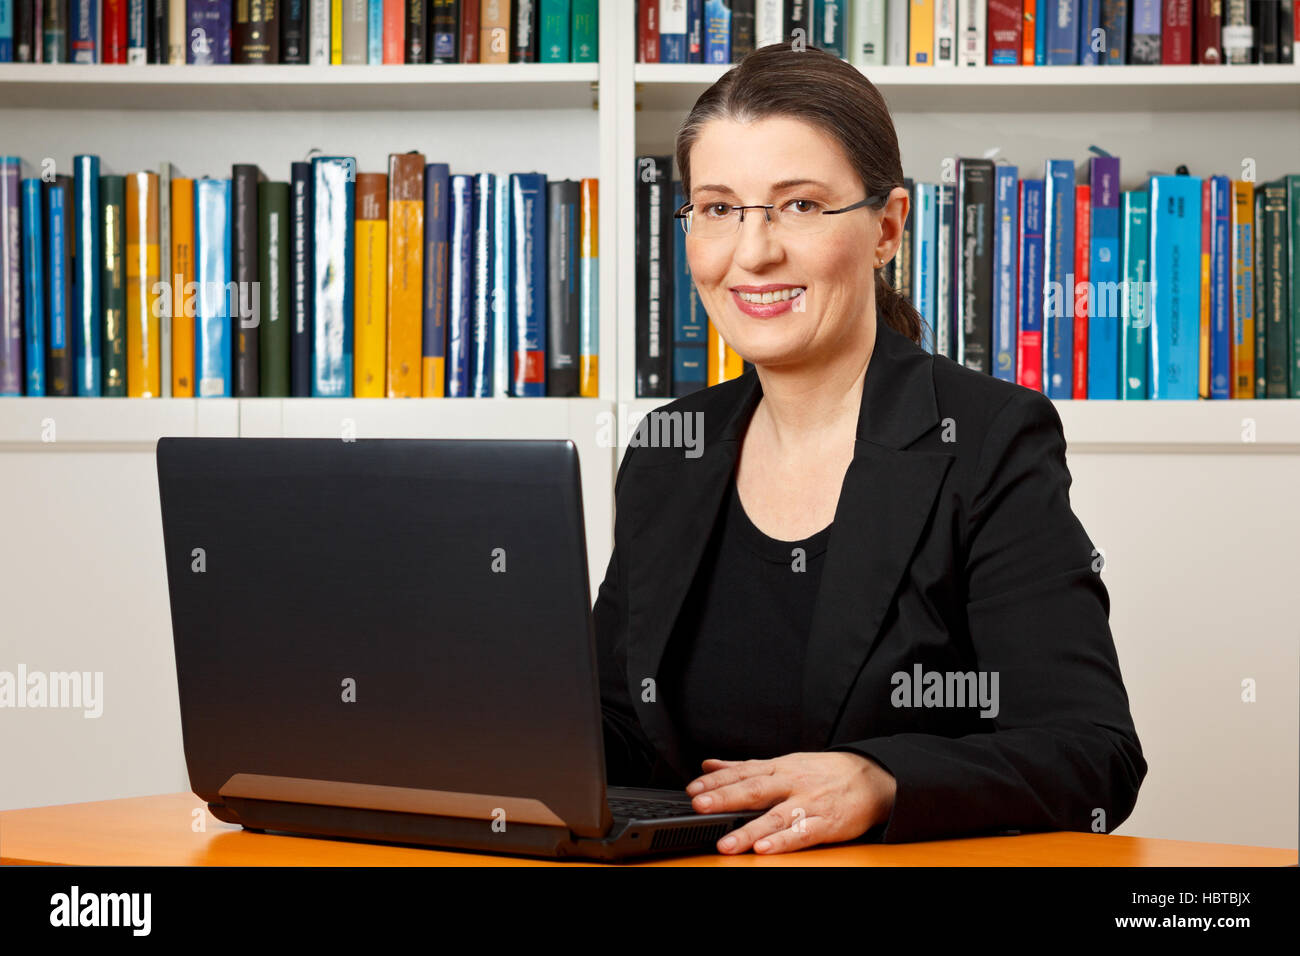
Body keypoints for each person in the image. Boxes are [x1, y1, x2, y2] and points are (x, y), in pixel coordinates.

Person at [593, 43, 1146, 855]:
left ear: (887, 227)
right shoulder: (671, 445)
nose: (753, 254)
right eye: (717, 208)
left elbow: (1093, 753)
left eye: (801, 206)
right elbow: (619, 726)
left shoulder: (989, 439)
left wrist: (880, 779)